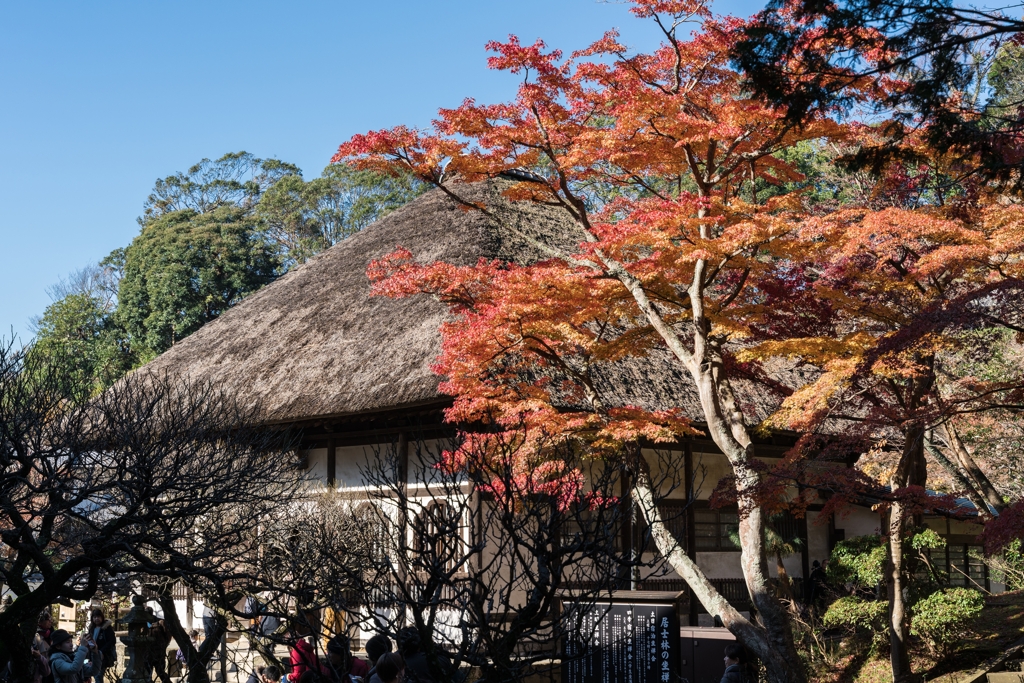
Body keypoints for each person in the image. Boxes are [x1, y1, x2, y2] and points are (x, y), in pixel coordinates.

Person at [89, 608, 116, 683]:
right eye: (94, 617)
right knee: (95, 675)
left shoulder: (107, 628)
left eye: (98, 617)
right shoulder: (91, 628)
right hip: (92, 655)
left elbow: (112, 641)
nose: (96, 619)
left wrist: (101, 651)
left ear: (102, 617)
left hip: (103, 655)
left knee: (98, 676)